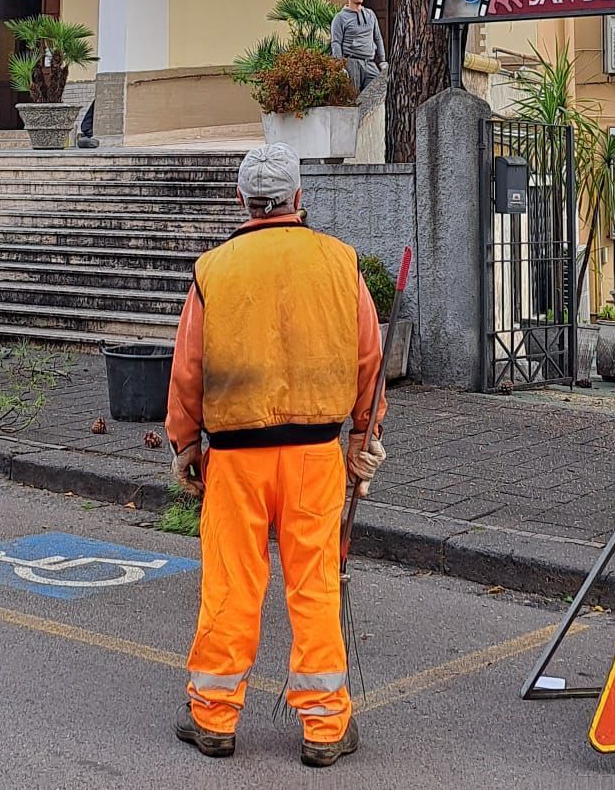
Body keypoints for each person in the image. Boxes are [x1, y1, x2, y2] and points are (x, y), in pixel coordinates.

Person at [166, 143, 386, 768]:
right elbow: (369, 363)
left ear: (241, 200)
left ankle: (213, 718)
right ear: (298, 200)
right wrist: (363, 443)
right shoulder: (340, 263)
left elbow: (189, 368)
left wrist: (185, 444)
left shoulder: (215, 269)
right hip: (316, 455)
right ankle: (323, 728)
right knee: (314, 586)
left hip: (235, 459)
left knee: (232, 584)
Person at [328, 0, 387, 94]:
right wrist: (339, 66)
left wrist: (382, 60)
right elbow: (336, 42)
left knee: (376, 94)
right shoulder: (340, 18)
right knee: (352, 97)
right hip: (351, 62)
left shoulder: (370, 14)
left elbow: (378, 38)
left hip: (370, 63)